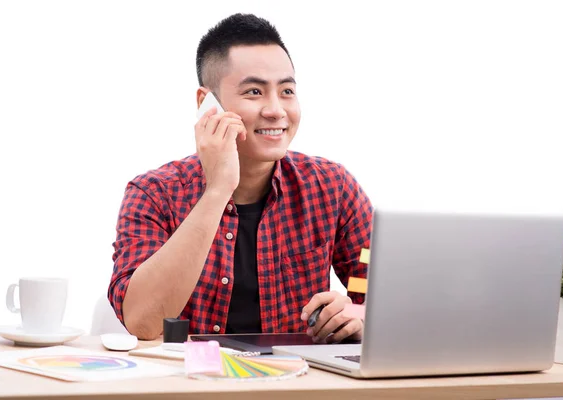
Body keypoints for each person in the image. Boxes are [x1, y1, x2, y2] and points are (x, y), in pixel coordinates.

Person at [109, 13, 373, 342]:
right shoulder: (153, 193)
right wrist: (218, 190)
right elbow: (143, 322)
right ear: (207, 104)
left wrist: (357, 313)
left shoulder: (331, 186)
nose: (276, 110)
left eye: (287, 91)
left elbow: (370, 279)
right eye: (254, 92)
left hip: (297, 386)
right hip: (191, 386)